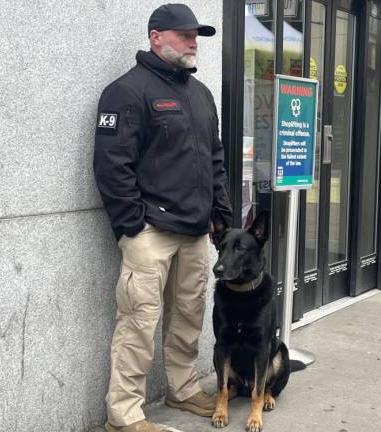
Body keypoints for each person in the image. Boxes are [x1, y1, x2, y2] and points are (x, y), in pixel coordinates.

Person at [93, 4, 232, 432]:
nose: (194, 42)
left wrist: (220, 216)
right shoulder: (127, 92)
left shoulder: (200, 93)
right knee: (139, 321)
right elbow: (111, 165)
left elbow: (214, 157)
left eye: (197, 35)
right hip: (150, 230)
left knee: (189, 314)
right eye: (184, 34)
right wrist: (132, 224)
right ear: (156, 37)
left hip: (194, 230)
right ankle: (125, 415)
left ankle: (183, 388)